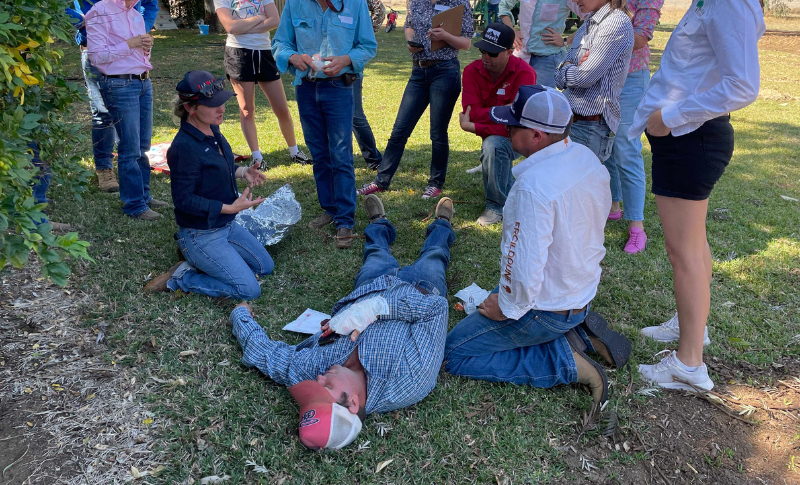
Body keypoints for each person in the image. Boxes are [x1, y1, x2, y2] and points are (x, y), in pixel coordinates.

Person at [631, 0, 764, 391]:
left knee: (682, 250)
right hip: (686, 137)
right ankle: (692, 324)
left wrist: (669, 117)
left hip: (692, 138)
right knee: (693, 244)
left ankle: (689, 364)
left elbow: (742, 84)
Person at [444, 86, 631, 409]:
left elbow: (524, 266)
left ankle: (565, 361)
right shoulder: (587, 158)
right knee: (499, 303)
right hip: (579, 294)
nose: (506, 130)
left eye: (512, 125)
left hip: (546, 310)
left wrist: (506, 307)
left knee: (453, 354)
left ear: (536, 135)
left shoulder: (532, 187)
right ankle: (576, 332)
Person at [228, 195, 457, 449]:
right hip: (421, 288)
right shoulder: (409, 380)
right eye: (325, 388)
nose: (318, 379)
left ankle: (379, 223)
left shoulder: (314, 370)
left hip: (370, 286)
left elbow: (265, 355)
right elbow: (435, 310)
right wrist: (378, 309)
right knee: (435, 255)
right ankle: (442, 224)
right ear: (353, 403)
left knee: (376, 252)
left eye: (314, 387)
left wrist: (240, 314)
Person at [272, 0, 377, 249]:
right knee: (319, 153)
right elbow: (280, 43)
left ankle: (345, 220)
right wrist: (292, 57)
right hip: (306, 88)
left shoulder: (355, 3)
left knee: (341, 154)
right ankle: (329, 208)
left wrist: (347, 60)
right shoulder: (295, 2)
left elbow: (367, 46)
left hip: (339, 88)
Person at [144, 71, 274, 297]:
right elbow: (184, 200)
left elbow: (217, 167)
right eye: (213, 105)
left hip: (226, 225)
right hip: (200, 233)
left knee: (264, 267)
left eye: (221, 102)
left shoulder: (212, 128)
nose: (221, 109)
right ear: (190, 108)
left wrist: (243, 171)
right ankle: (182, 277)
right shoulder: (184, 148)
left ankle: (202, 262)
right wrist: (229, 208)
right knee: (248, 290)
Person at [358, 0, 475, 200]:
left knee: (437, 133)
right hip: (418, 70)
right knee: (400, 129)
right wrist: (410, 41)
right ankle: (381, 181)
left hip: (445, 71)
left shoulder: (460, 1)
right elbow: (409, 25)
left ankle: (435, 183)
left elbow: (466, 42)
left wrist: (446, 36)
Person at [60, 0, 159, 194]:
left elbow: (150, 1)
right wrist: (80, 22)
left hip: (130, 60)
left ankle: (134, 177)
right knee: (103, 113)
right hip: (96, 52)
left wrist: (141, 30)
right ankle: (104, 168)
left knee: (135, 129)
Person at [212, 0, 311, 170]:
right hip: (239, 54)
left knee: (281, 107)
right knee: (247, 109)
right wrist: (258, 18)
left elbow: (274, 20)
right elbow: (230, 27)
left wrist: (245, 25)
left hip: (264, 53)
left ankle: (294, 151)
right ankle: (257, 157)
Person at [85, 0, 167, 221]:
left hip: (142, 82)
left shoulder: (135, 14)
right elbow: (97, 57)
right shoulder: (99, 12)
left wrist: (145, 47)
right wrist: (131, 43)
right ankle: (134, 204)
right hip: (119, 84)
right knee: (130, 147)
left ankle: (142, 196)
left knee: (142, 145)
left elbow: (137, 52)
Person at [602, 0, 666, 255]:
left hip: (630, 78)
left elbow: (641, 37)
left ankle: (637, 226)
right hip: (601, 75)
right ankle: (614, 204)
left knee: (626, 149)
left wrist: (604, 38)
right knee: (606, 144)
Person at [553, 0, 634, 164]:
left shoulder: (615, 23)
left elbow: (584, 77)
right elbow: (559, 75)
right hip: (575, 122)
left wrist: (569, 68)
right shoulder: (590, 21)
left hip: (591, 127)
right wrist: (571, 68)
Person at [458, 23, 536, 225]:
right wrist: (504, 111)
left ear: (510, 52)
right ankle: (511, 193)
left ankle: (496, 206)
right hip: (498, 133)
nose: (485, 57)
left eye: (492, 53)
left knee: (493, 145)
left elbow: (517, 121)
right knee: (493, 144)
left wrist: (475, 126)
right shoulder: (471, 71)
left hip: (521, 136)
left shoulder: (525, 73)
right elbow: (472, 113)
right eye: (483, 50)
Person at [341, 0, 385, 170]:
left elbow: (379, 8)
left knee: (354, 114)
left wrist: (366, 32)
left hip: (350, 60)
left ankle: (374, 158)